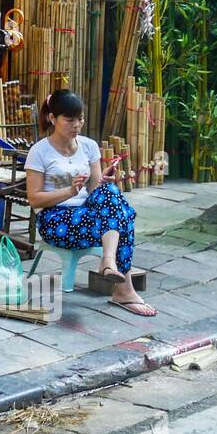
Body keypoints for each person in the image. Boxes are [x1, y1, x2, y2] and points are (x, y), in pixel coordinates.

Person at [25, 89, 156, 317]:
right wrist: (69, 190)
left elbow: (95, 191)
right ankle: (123, 290)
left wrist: (102, 180)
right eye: (70, 119)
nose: (77, 124)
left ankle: (108, 262)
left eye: (80, 118)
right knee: (124, 216)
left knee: (110, 192)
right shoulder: (39, 152)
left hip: (89, 215)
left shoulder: (89, 146)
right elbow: (34, 198)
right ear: (52, 118)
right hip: (56, 219)